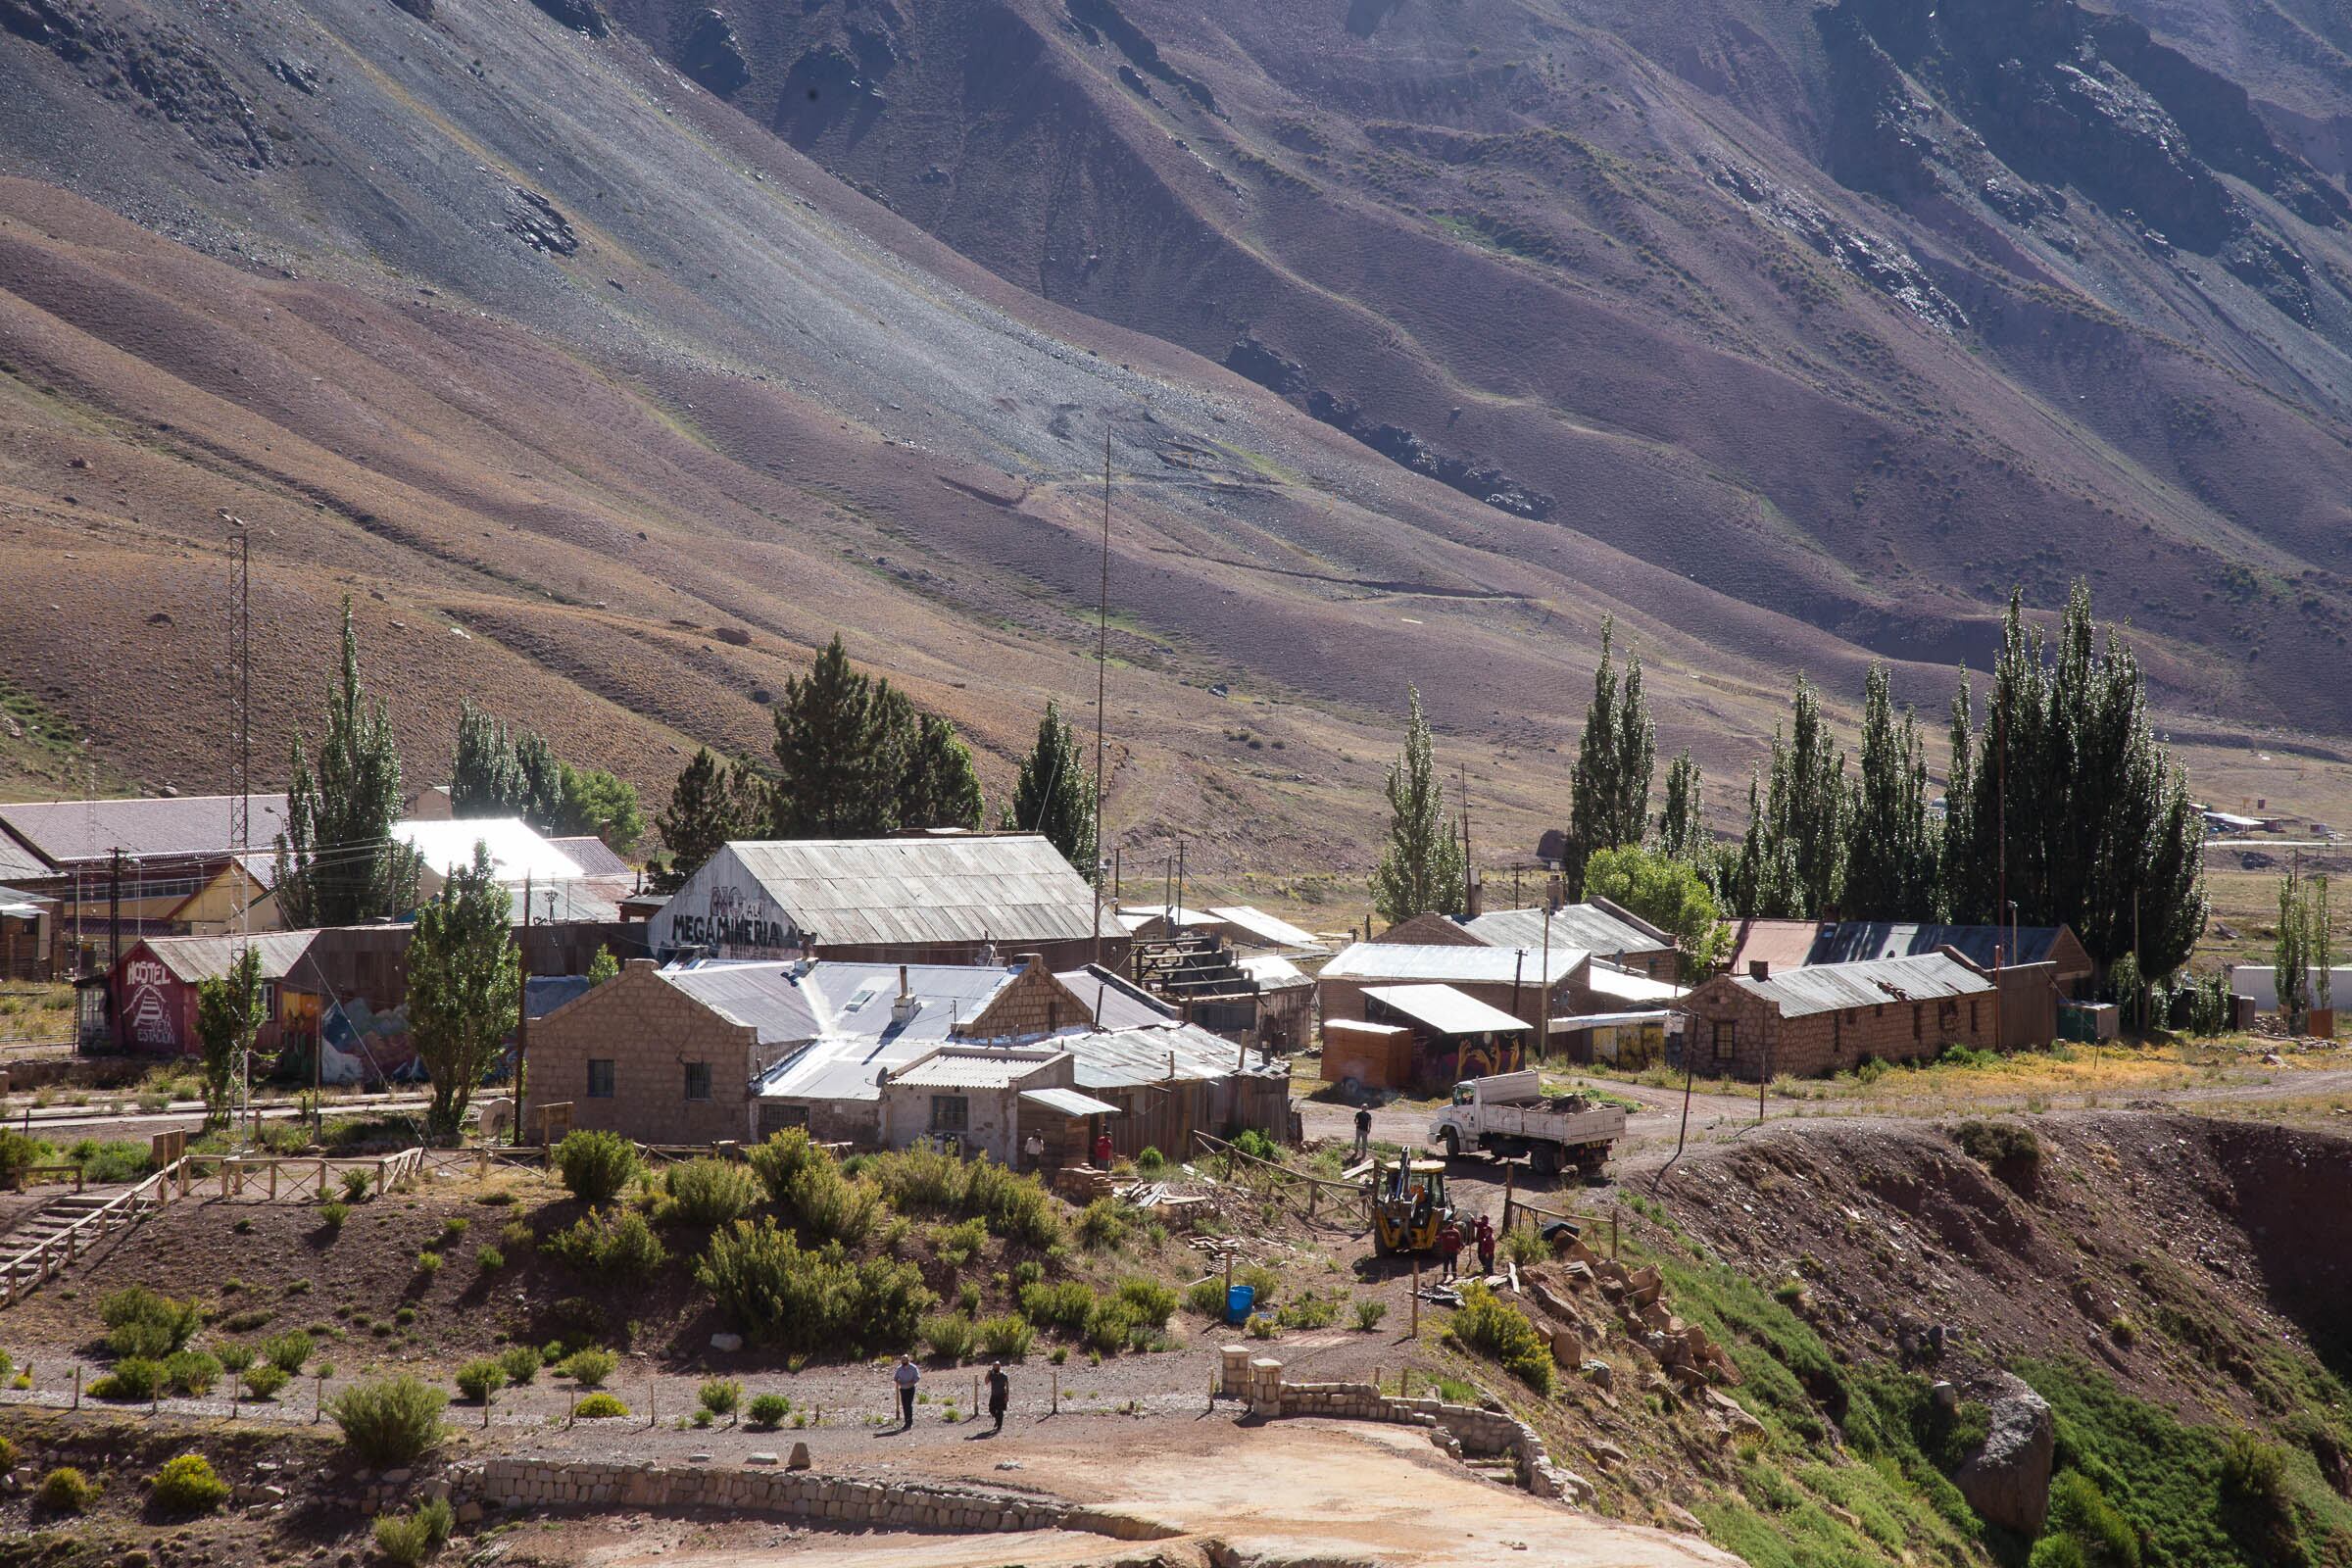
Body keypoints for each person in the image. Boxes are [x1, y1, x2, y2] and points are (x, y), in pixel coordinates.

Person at [894, 1353, 919, 1431]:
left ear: (908, 1360)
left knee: (909, 1405)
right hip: (902, 1389)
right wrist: (898, 1382)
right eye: (902, 1360)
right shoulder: (899, 1369)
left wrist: (911, 1383)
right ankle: (906, 1422)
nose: (903, 1362)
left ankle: (910, 1422)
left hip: (910, 1389)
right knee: (904, 1405)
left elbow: (917, 1378)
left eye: (905, 1360)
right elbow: (895, 1378)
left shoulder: (913, 1368)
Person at [985, 1361, 1010, 1434]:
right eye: (993, 1366)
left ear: (999, 1366)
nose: (994, 1367)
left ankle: (999, 1427)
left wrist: (1007, 1396)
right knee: (991, 1409)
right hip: (994, 1395)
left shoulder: (1004, 1375)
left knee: (1000, 1411)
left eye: (996, 1366)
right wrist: (988, 1373)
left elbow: (1007, 1386)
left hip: (1002, 1395)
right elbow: (986, 1382)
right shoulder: (992, 1375)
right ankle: (997, 1420)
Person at [1437, 1217, 1463, 1282]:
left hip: (1446, 1251)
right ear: (1453, 1225)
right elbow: (1459, 1242)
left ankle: (1445, 1276)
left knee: (1446, 1264)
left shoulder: (1444, 1232)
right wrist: (1459, 1249)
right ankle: (1454, 1276)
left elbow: (1438, 1238)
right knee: (1454, 1264)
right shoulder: (1456, 1232)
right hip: (1454, 1251)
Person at [1475, 1213, 1496, 1278]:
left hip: (1488, 1252)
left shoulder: (1489, 1238)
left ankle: (1490, 1276)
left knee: (1488, 1264)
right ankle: (1486, 1270)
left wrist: (1487, 1253)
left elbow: (1490, 1247)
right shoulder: (1486, 1236)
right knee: (1481, 1256)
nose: (1485, 1231)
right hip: (1484, 1248)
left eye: (1486, 1231)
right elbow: (1476, 1224)